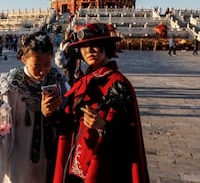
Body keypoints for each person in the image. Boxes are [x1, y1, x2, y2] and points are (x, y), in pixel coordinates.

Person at [52, 22, 149, 183]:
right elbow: (68, 122)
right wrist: (51, 111)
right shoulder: (83, 80)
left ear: (106, 47)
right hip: (77, 159)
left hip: (104, 164)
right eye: (84, 47)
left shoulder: (118, 83)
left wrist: (102, 126)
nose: (89, 51)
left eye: (95, 45)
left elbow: (128, 137)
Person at [0, 31, 69, 183]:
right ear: (24, 60)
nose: (42, 71)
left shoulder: (59, 81)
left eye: (47, 64)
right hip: (20, 161)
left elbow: (69, 115)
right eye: (36, 65)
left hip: (50, 157)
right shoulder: (11, 86)